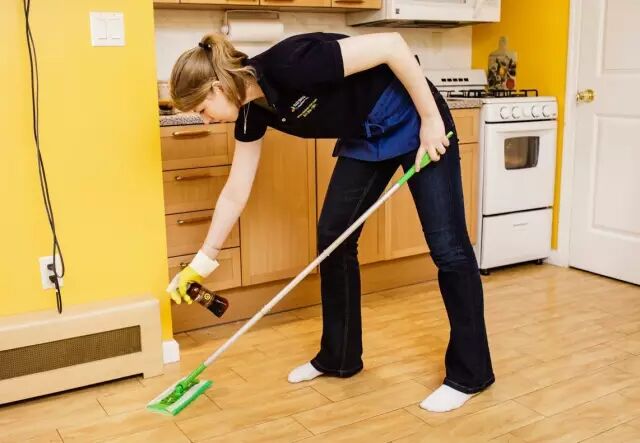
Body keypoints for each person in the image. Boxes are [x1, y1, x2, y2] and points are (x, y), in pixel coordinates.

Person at [166, 31, 494, 413]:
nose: (207, 119)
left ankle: (470, 374)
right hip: (366, 132)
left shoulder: (290, 64)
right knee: (333, 238)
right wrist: (201, 262)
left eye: (203, 109)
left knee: (449, 247)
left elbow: (392, 45)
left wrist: (431, 119)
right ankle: (339, 357)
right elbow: (235, 192)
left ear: (218, 87)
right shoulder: (251, 112)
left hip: (413, 116)